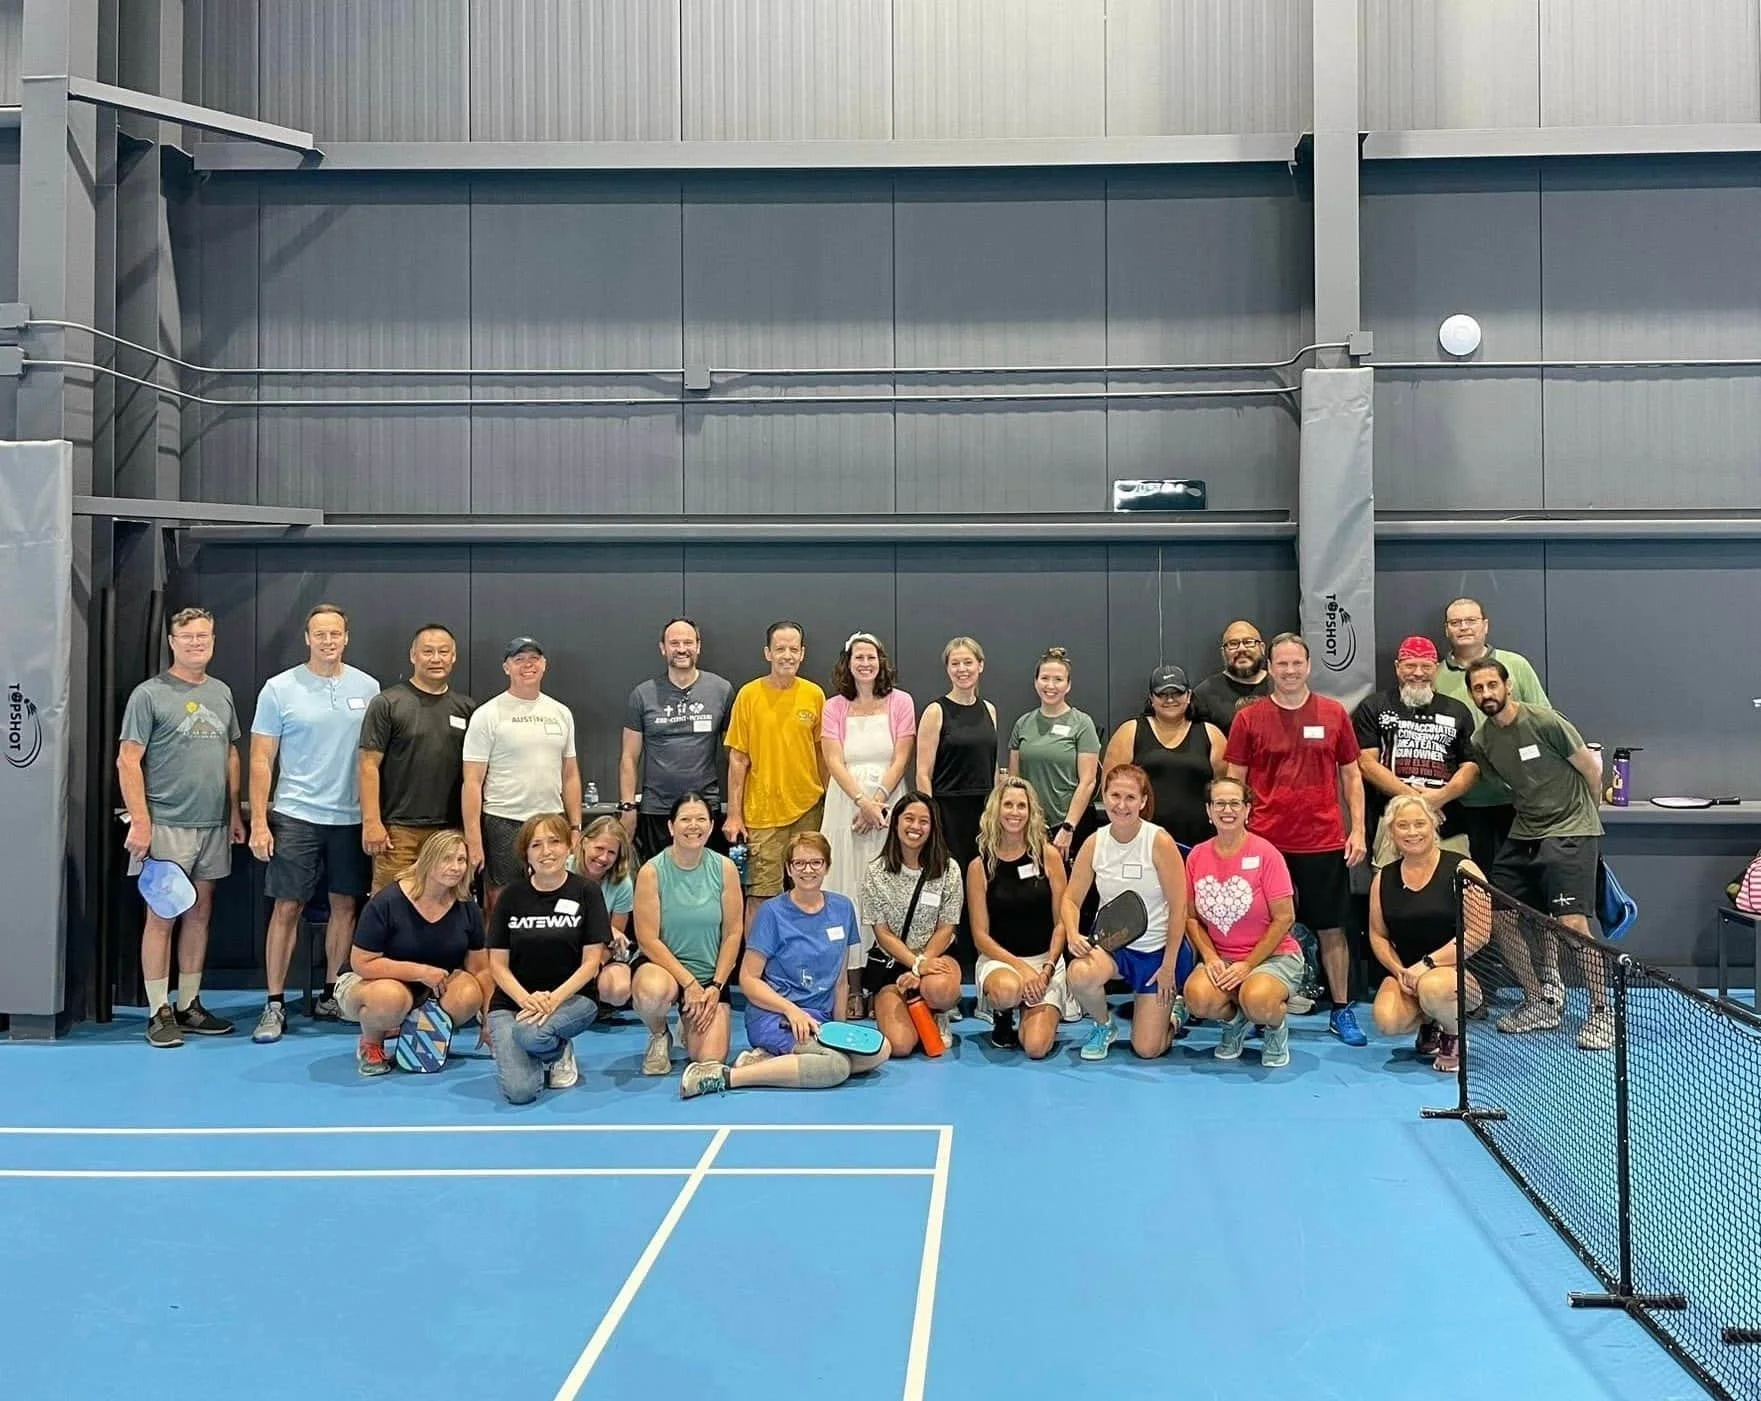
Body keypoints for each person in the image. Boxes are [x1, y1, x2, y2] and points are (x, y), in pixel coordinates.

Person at [1225, 633, 1369, 1047]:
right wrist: (1237, 838)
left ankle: (1340, 1011)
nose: (1289, 671)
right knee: (1260, 930)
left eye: (1296, 663)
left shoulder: (1333, 713)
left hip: (1323, 842)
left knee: (1332, 929)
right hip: (1265, 846)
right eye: (1281, 664)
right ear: (1269, 668)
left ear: (1308, 666)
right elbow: (1234, 781)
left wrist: (1357, 828)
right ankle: (1254, 1009)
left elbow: (1352, 776)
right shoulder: (1249, 720)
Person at [248, 603, 380, 1043]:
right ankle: (274, 1003)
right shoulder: (278, 689)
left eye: (335, 634)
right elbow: (262, 758)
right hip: (296, 814)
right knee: (287, 907)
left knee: (346, 907)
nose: (328, 641)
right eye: (319, 634)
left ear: (346, 637)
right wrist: (261, 821)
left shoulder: (368, 687)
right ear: (307, 638)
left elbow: (374, 759)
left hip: (350, 818)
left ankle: (332, 993)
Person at [1464, 658, 1612, 1051]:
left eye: (1492, 685)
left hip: (1571, 831)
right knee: (1500, 916)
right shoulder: (1484, 742)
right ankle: (1540, 1001)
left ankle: (1603, 1011)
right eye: (1478, 689)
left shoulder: (1546, 722)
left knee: (1572, 925)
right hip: (1525, 831)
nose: (1486, 694)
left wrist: (1586, 820)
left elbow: (1591, 769)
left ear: (1507, 685)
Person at [117, 606, 245, 1047]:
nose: (196, 643)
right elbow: (128, 759)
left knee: (201, 911)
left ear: (213, 640)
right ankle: (158, 1011)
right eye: (188, 636)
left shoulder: (222, 693)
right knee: (162, 916)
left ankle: (189, 1003)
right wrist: (141, 821)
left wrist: (235, 813)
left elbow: (231, 754)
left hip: (212, 824)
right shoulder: (148, 695)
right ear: (172, 641)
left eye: (204, 636)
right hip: (166, 822)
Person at [679, 831, 890, 1099]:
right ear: (789, 868)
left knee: (879, 1050)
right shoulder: (772, 913)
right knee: (835, 1067)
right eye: (799, 863)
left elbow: (840, 980)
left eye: (815, 862)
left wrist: (840, 1029)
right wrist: (791, 1011)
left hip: (819, 1019)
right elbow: (749, 979)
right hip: (776, 1016)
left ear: (827, 866)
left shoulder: (843, 908)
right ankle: (724, 1077)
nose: (808, 870)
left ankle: (768, 1063)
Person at [335, 829, 489, 1077]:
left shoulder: (467, 907)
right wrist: (420, 972)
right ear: (428, 860)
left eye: (461, 860)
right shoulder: (387, 901)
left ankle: (416, 1027)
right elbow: (362, 962)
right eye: (447, 859)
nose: (456, 867)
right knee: (389, 999)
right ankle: (372, 1043)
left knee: (469, 993)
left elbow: (481, 969)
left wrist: (490, 1020)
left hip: (431, 988)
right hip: (368, 982)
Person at [1063, 763, 1189, 1061]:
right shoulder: (1095, 842)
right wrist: (1071, 932)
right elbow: (1070, 899)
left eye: (1131, 797)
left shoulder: (1159, 841)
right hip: (1113, 949)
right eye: (1115, 795)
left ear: (1143, 801)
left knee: (1147, 1050)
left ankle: (1173, 1014)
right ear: (1104, 797)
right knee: (1079, 974)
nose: (1121, 805)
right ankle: (1104, 1025)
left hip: (1157, 955)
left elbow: (1179, 906)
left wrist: (1169, 966)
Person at [821, 631, 916, 1014]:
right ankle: (854, 985)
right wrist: (860, 801)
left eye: (871, 657)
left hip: (887, 805)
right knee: (848, 890)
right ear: (848, 663)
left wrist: (877, 803)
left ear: (881, 662)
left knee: (888, 890)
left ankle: (888, 983)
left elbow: (901, 757)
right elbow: (833, 760)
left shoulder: (901, 702)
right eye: (858, 657)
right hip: (845, 805)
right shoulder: (834, 707)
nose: (865, 663)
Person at [486, 814, 612, 1103]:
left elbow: (591, 963)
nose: (547, 852)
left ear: (569, 846)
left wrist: (553, 1000)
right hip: (513, 1004)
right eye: (536, 845)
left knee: (530, 1035)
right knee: (520, 1093)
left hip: (572, 999)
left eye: (555, 842)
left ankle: (556, 1047)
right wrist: (525, 1000)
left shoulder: (586, 892)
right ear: (525, 854)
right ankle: (546, 1049)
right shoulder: (510, 897)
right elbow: (497, 965)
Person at [1180, 777, 1303, 1068]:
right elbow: (1190, 917)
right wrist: (1210, 957)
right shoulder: (1196, 856)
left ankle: (1274, 1029)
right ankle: (1235, 1023)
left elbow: (1285, 916)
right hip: (1222, 956)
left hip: (1273, 956)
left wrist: (1248, 964)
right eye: (1219, 803)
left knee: (1258, 1000)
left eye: (1235, 803)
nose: (1227, 810)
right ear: (1208, 811)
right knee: (1197, 999)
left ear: (1248, 809)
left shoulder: (1266, 854)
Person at [1368, 795, 1492, 1073]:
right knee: (1387, 1021)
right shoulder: (1382, 878)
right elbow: (1378, 935)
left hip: (1457, 976)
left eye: (1419, 824)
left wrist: (1426, 965)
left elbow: (1479, 932)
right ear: (1392, 832)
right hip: (1409, 975)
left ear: (1433, 826)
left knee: (1434, 988)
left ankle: (1453, 1036)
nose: (1412, 832)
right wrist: (1400, 970)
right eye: (1403, 826)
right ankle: (1430, 1022)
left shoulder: (1464, 868)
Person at [461, 636, 583, 915]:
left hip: (552, 821)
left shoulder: (561, 713)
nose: (527, 665)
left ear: (544, 665)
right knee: (501, 903)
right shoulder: (488, 714)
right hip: (504, 821)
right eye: (519, 660)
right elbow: (472, 781)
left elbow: (571, 774)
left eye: (533, 659)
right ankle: (497, 960)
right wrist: (474, 839)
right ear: (506, 667)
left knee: (551, 900)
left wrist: (574, 827)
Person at [1432, 597, 1552, 878]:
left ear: (1485, 625)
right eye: (1455, 622)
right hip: (1464, 803)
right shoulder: (1435, 676)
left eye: (1471, 620)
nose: (1464, 627)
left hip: (1519, 800)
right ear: (1447, 630)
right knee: (1477, 885)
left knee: (1522, 884)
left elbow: (1543, 721)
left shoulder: (1515, 665)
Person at [632, 793, 744, 1076]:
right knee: (651, 995)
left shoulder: (725, 868)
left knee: (709, 1060)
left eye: (700, 819)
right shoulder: (651, 872)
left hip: (709, 978)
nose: (693, 826)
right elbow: (648, 939)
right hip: (666, 971)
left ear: (711, 825)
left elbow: (733, 933)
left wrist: (715, 987)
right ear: (671, 827)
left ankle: (689, 1021)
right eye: (685, 819)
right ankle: (659, 1035)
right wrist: (688, 983)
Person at [723, 620, 827, 926]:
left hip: (809, 810)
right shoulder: (748, 695)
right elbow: (738, 760)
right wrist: (734, 814)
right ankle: (757, 969)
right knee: (761, 897)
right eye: (780, 649)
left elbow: (824, 756)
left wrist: (829, 803)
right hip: (762, 814)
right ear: (767, 653)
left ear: (803, 653)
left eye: (793, 649)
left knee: (810, 890)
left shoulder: (815, 695)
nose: (787, 655)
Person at [358, 623, 475, 893]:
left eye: (443, 652)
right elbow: (367, 766)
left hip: (449, 831)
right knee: (388, 909)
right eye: (428, 651)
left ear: (454, 657)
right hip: (398, 833)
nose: (436, 658)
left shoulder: (467, 708)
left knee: (447, 908)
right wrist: (372, 822)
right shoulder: (387, 703)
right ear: (413, 656)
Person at [1353, 636, 1479, 868]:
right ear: (1397, 667)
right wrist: (1418, 801)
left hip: (1447, 822)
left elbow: (1471, 766)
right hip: (1391, 819)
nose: (1418, 673)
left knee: (1459, 885)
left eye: (1426, 666)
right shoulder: (1374, 707)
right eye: (1410, 665)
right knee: (1388, 885)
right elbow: (1366, 764)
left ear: (1436, 668)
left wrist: (1441, 797)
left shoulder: (1457, 710)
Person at [618, 617, 735, 862]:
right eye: (674, 643)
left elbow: (733, 756)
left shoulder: (721, 690)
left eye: (688, 642)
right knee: (658, 884)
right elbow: (629, 757)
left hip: (704, 810)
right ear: (663, 648)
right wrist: (628, 808)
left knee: (706, 883)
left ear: (698, 646)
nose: (681, 649)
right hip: (657, 810)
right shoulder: (643, 694)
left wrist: (736, 810)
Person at [967, 777, 1068, 1058]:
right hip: (1001, 962)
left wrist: (1046, 970)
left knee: (1036, 1048)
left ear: (1031, 812)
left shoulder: (1049, 857)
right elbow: (980, 937)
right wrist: (1022, 970)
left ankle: (1039, 1009)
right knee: (1008, 990)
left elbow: (1062, 923)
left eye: (1021, 806)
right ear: (996, 811)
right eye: (1008, 804)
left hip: (1045, 962)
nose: (1014, 812)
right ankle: (1002, 1012)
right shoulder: (979, 866)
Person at [860, 793, 965, 1057]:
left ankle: (937, 1011)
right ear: (895, 823)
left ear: (933, 828)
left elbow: (947, 927)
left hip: (936, 959)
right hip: (892, 964)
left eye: (923, 821)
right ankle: (900, 1008)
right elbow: (882, 933)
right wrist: (913, 963)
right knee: (901, 1045)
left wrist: (922, 966)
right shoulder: (876, 872)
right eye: (909, 819)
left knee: (940, 990)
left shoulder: (949, 869)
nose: (915, 827)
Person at [914, 636, 999, 910]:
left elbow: (992, 763)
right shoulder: (936, 711)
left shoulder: (990, 710)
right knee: (951, 887)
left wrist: (996, 809)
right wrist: (930, 818)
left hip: (983, 812)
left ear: (981, 666)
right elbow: (923, 772)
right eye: (955, 663)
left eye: (968, 662)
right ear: (947, 669)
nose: (962, 669)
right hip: (948, 812)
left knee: (983, 885)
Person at [1102, 665, 1225, 849]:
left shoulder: (1211, 734)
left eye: (1177, 693)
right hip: (1141, 842)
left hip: (1200, 841)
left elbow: (1226, 789)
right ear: (1151, 698)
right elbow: (1109, 788)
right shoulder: (1130, 732)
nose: (1170, 700)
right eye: (1162, 694)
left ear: (1189, 695)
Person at [1008, 647, 1101, 864]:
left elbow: (1088, 781)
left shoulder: (1082, 724)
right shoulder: (1022, 724)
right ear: (1036, 682)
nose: (1050, 685)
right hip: (1030, 826)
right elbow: (1015, 782)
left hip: (1068, 827)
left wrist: (1068, 827)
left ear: (1068, 685)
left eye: (1058, 679)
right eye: (1045, 678)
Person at [575, 815, 638, 1011]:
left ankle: (597, 1001)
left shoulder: (623, 884)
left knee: (618, 990)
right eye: (599, 849)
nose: (603, 858)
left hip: (598, 950)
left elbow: (613, 936)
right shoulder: (562, 871)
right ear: (584, 842)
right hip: (562, 948)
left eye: (611, 852)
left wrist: (594, 965)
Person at [1189, 621, 1272, 735]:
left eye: (1248, 642)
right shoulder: (1203, 695)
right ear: (1223, 653)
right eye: (1233, 644)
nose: (1241, 649)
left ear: (1262, 648)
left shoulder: (1281, 687)